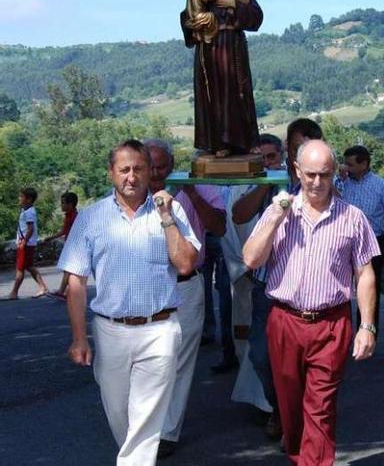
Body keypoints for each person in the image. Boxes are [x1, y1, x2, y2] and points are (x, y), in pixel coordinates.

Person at [59, 139, 199, 465]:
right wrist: (79, 338)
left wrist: (166, 218)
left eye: (138, 169)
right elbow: (76, 282)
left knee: (147, 416)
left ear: (150, 172)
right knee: (120, 413)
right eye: (124, 169)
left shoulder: (172, 209)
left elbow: (185, 264)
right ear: (111, 173)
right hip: (111, 332)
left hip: (160, 328)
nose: (131, 177)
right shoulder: (92, 218)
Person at [242, 140, 378, 466]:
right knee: (290, 408)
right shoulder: (279, 212)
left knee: (320, 406)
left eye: (325, 175)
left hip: (331, 323)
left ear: (336, 174)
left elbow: (366, 274)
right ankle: (300, 455)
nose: (317, 183)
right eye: (311, 175)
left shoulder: (352, 218)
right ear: (297, 171)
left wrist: (368, 326)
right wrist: (276, 216)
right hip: (285, 322)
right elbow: (251, 259)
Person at [231, 119, 323, 440]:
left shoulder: (312, 180)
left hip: (301, 289)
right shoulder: (267, 180)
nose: (264, 163)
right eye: (259, 157)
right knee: (260, 356)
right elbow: (239, 215)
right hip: (265, 285)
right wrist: (265, 183)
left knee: (301, 363)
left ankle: (294, 419)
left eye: (269, 158)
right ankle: (281, 410)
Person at [143, 139, 226, 459]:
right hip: (147, 286)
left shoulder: (194, 185)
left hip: (186, 285)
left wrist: (190, 191)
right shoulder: (134, 191)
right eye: (150, 167)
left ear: (172, 164)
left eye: (162, 167)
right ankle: (144, 423)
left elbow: (219, 225)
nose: (156, 174)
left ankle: (166, 432)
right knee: (147, 360)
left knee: (179, 361)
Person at [181, 0, 263, 156]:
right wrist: (196, 22)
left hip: (232, 47)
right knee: (212, 96)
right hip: (209, 48)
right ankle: (218, 143)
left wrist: (234, 3)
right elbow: (188, 17)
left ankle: (244, 142)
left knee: (237, 93)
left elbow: (256, 16)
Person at [342, 145, 384, 333]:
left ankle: (367, 331)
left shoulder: (383, 186)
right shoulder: (342, 184)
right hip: (345, 242)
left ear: (364, 164)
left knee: (366, 289)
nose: (346, 168)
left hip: (372, 242)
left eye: (350, 164)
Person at [7, 187, 49, 300]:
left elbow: (30, 229)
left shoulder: (29, 212)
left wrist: (23, 242)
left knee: (20, 268)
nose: (19, 198)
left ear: (29, 199)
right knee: (29, 266)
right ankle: (43, 287)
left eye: (22, 197)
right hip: (27, 243)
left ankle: (14, 292)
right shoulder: (25, 210)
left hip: (26, 243)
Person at [45, 192, 78, 301]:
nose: (62, 206)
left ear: (71, 204)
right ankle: (67, 291)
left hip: (73, 245)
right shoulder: (70, 215)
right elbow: (65, 231)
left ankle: (61, 291)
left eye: (63, 203)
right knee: (68, 269)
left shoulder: (74, 216)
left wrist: (51, 237)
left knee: (68, 269)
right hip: (70, 244)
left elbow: (66, 231)